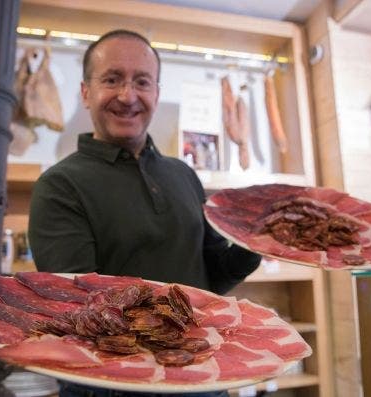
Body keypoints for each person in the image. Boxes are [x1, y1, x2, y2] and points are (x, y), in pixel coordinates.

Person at [28, 29, 262, 397]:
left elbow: (211, 277)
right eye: (112, 79)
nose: (128, 96)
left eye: (142, 82)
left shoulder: (183, 174)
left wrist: (255, 241)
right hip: (108, 383)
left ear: (156, 92)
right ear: (85, 92)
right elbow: (80, 307)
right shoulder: (60, 185)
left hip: (198, 375)